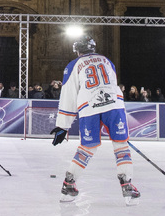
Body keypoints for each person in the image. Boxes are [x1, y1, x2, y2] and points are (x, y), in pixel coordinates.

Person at [51, 35, 140, 206]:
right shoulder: (107, 61)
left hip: (89, 106)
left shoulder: (73, 65)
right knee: (121, 145)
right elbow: (112, 83)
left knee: (87, 147)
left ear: (77, 50)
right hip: (114, 105)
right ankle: (127, 185)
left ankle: (69, 185)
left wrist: (63, 126)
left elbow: (68, 95)